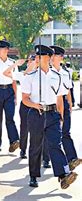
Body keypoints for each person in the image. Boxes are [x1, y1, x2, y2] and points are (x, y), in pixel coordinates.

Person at [21, 45, 78, 189]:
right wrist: (35, 105)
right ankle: (33, 176)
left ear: (48, 57)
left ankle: (63, 175)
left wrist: (61, 117)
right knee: (35, 146)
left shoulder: (57, 76)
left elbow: (60, 98)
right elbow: (25, 99)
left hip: (53, 114)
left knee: (55, 144)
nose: (37, 59)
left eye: (40, 56)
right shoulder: (31, 77)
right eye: (37, 56)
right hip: (36, 114)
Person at [50, 46, 81, 171]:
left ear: (61, 57)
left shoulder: (66, 73)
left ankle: (72, 158)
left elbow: (68, 91)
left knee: (65, 132)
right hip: (51, 103)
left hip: (63, 102)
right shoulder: (47, 71)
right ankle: (47, 159)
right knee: (53, 135)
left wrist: (70, 105)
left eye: (55, 55)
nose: (52, 57)